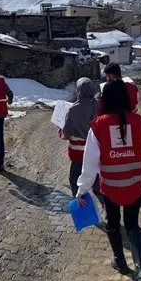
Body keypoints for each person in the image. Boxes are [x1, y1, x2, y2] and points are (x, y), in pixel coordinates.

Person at [77, 79, 141, 281]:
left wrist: (82, 188)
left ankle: (120, 261)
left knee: (113, 223)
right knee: (133, 224)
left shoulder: (98, 125)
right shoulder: (139, 122)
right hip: (135, 183)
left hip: (110, 186)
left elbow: (90, 162)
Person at [59, 77, 104, 205]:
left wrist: (60, 130)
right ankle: (107, 208)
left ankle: (82, 208)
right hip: (95, 150)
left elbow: (65, 135)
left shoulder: (72, 110)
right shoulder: (97, 105)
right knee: (96, 182)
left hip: (78, 152)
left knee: (75, 180)